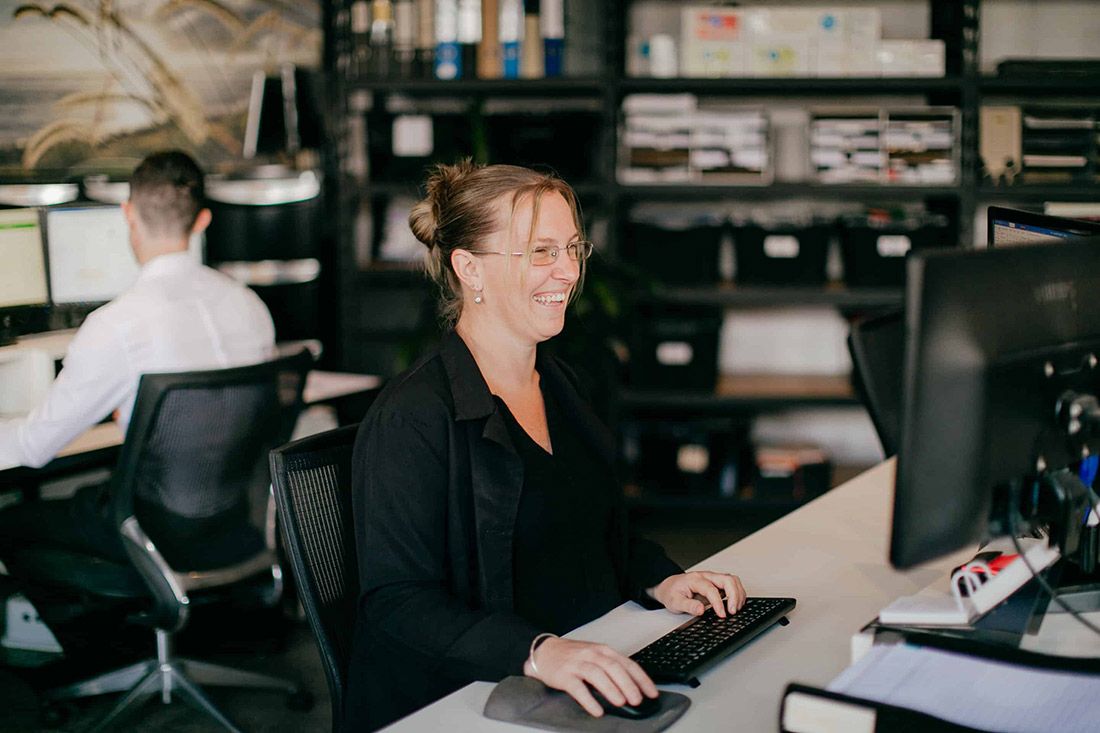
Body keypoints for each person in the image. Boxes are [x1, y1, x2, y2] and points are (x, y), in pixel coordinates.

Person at [347, 161, 747, 731]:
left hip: (589, 663)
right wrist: (539, 651)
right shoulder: (412, 419)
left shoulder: (559, 383)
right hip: (465, 697)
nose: (567, 271)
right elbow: (398, 601)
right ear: (470, 270)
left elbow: (593, 530)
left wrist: (664, 579)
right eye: (540, 252)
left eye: (572, 248)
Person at [0, 150, 275, 564]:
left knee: (11, 521)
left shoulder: (117, 324)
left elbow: (35, 446)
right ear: (202, 220)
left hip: (151, 532)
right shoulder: (250, 306)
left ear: (128, 214)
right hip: (229, 521)